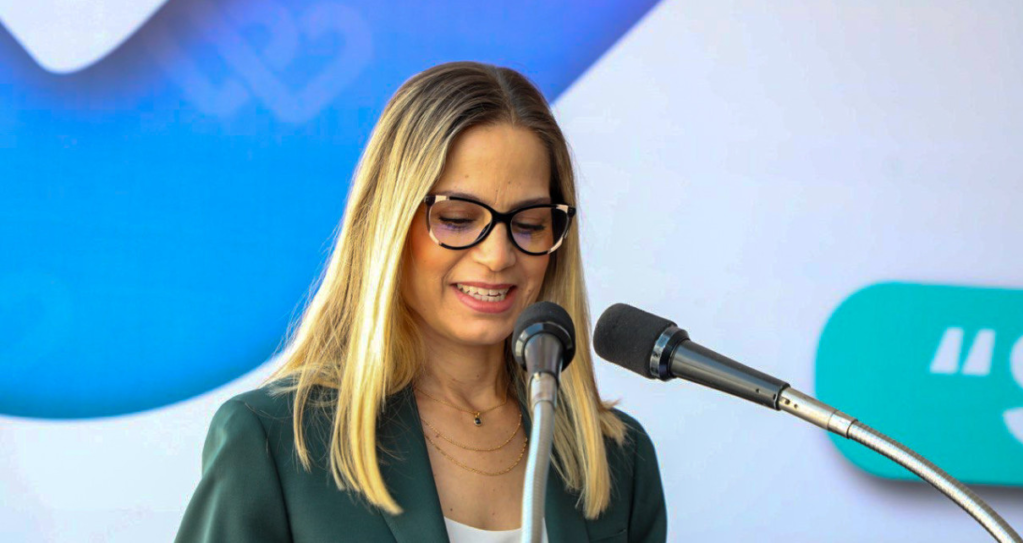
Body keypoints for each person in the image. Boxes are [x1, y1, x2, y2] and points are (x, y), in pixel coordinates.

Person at [175, 61, 667, 543]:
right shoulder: (275, 440)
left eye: (529, 224)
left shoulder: (618, 458)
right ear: (387, 224)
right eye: (457, 219)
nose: (498, 256)